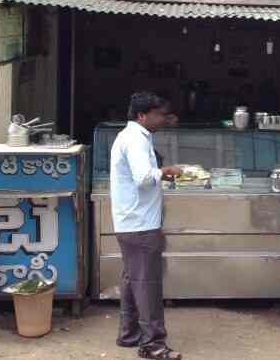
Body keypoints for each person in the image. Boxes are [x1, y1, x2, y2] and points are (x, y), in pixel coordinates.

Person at [110, 92, 183, 360]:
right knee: (148, 284)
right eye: (158, 114)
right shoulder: (135, 140)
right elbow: (143, 178)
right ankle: (153, 345)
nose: (162, 119)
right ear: (142, 115)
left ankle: (128, 334)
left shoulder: (131, 137)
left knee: (133, 280)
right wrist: (167, 171)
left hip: (132, 221)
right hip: (140, 224)